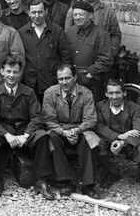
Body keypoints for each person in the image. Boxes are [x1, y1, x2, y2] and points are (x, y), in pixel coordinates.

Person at [0, 55, 54, 199]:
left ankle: (41, 180)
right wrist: (6, 135)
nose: (11, 75)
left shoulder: (29, 92)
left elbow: (37, 116)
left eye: (15, 72)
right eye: (8, 71)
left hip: (24, 131)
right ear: (2, 71)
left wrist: (26, 135)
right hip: (4, 133)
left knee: (43, 135)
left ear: (20, 73)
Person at [43, 65, 101, 199]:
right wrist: (63, 132)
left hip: (80, 129)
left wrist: (77, 130)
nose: (64, 82)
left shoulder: (86, 93)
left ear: (74, 78)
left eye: (67, 78)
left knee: (90, 139)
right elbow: (49, 120)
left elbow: (91, 119)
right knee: (51, 137)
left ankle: (88, 185)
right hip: (59, 130)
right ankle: (65, 181)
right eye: (61, 79)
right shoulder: (50, 93)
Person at [96, 80, 140, 189]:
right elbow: (99, 126)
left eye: (117, 92)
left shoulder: (136, 109)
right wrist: (118, 136)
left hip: (130, 143)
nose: (114, 96)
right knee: (95, 144)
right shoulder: (100, 107)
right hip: (109, 141)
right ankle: (112, 171)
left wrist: (123, 142)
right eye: (111, 93)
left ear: (124, 93)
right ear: (106, 94)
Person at [65, 0, 122, 78]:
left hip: (101, 61)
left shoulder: (107, 11)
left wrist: (110, 53)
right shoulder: (73, 11)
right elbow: (68, 35)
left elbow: (115, 34)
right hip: (81, 61)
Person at [19, 0, 73, 101]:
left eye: (40, 12)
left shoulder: (57, 31)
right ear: (29, 13)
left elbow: (66, 57)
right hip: (30, 83)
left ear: (45, 11)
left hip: (52, 82)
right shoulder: (22, 32)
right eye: (33, 12)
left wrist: (63, 77)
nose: (37, 16)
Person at [65, 1, 113, 102]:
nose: (77, 17)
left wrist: (90, 73)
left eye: (81, 14)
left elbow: (106, 59)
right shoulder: (70, 32)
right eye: (75, 15)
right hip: (72, 81)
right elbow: (65, 53)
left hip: (92, 83)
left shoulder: (101, 35)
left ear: (90, 16)